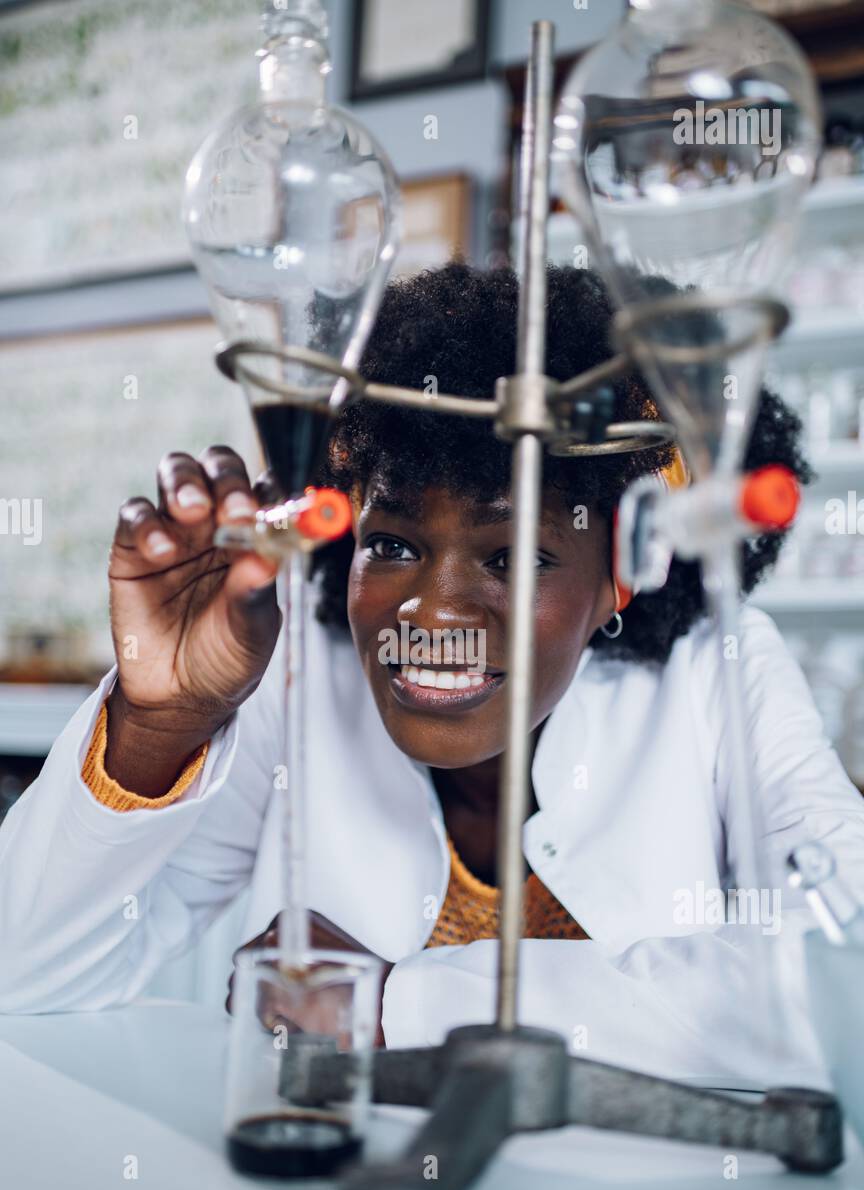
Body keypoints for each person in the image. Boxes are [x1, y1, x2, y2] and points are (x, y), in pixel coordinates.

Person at [1, 263, 861, 1088]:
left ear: (620, 576)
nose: (433, 611)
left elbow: (837, 974)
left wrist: (398, 1004)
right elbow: (24, 975)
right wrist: (161, 724)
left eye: (515, 554)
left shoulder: (717, 668)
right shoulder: (300, 669)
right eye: (393, 545)